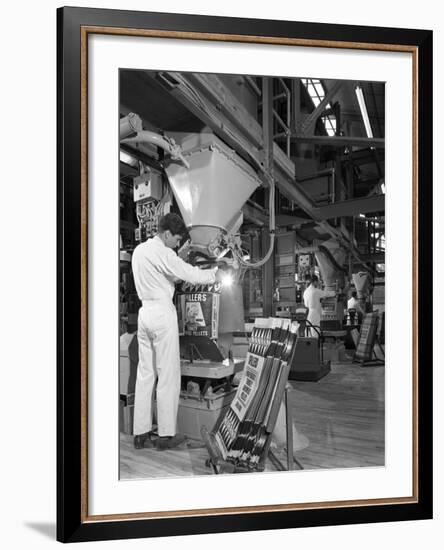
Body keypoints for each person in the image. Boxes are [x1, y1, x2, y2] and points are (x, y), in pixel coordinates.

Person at [131, 213, 218, 450]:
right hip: (161, 314)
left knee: (145, 374)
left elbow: (166, 273)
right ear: (167, 233)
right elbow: (190, 274)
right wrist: (215, 272)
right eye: (177, 239)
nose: (177, 244)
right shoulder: (163, 253)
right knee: (168, 374)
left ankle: (140, 434)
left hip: (144, 315)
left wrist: (176, 260)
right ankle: (166, 436)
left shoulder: (140, 251)